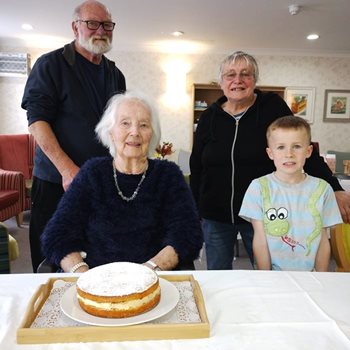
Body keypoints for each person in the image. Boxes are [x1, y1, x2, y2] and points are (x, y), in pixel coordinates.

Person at [190, 50, 350, 270]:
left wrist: (335, 187)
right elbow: (196, 165)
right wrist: (194, 210)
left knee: (267, 273)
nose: (238, 80)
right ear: (221, 82)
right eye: (230, 75)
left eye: (245, 74)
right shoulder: (209, 117)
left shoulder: (272, 107)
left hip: (265, 213)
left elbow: (302, 145)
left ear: (254, 80)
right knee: (217, 274)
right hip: (215, 215)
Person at [40, 91, 203, 273]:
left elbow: (187, 234)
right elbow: (57, 234)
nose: (135, 132)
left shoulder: (168, 175)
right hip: (94, 277)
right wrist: (83, 275)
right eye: (125, 123)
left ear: (152, 134)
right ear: (110, 131)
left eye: (143, 125)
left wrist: (148, 271)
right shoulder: (92, 173)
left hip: (153, 278)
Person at [21, 0, 126, 272]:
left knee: (97, 257)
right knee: (52, 258)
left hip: (100, 184)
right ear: (75, 27)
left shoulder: (115, 74)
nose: (100, 30)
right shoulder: (50, 65)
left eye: (106, 25)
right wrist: (68, 171)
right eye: (92, 23)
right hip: (58, 182)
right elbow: (37, 122)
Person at [239, 116, 342, 271]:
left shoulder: (323, 189)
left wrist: (321, 276)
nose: (289, 154)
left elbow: (322, 240)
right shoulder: (258, 188)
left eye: (297, 146)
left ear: (308, 151)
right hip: (273, 275)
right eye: (281, 147)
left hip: (311, 275)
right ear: (270, 153)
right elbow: (260, 239)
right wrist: (266, 276)